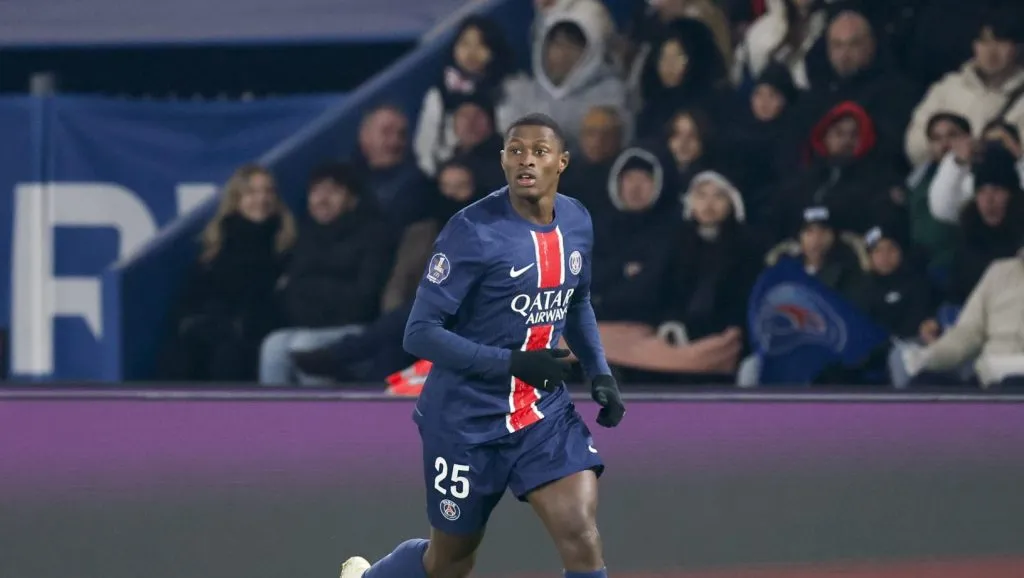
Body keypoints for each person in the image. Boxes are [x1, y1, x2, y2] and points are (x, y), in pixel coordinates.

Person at [339, 113, 625, 578]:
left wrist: (601, 374)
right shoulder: (471, 231)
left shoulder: (576, 220)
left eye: (539, 151)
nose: (526, 161)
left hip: (541, 414)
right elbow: (420, 331)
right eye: (515, 151)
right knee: (450, 559)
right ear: (502, 160)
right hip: (465, 420)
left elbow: (578, 301)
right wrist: (512, 362)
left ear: (562, 162)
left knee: (580, 531)